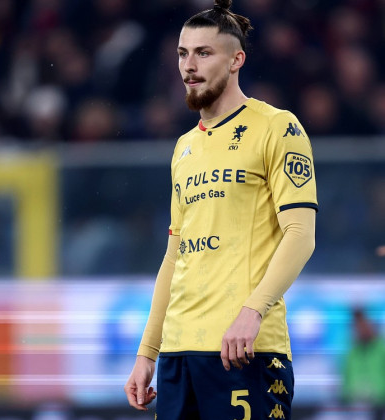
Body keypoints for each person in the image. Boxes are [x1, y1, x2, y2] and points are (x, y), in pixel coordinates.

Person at [123, 0, 318, 418]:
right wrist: (148, 352)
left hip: (244, 348)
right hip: (178, 355)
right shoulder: (184, 148)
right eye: (182, 53)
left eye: (203, 53)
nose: (189, 66)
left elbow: (300, 235)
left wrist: (252, 312)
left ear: (236, 60)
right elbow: (175, 256)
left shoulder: (278, 127)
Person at [342, 308, 385, 419]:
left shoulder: (382, 350)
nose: (361, 328)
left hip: (380, 407)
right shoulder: (352, 353)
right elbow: (346, 384)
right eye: (357, 325)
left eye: (364, 324)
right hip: (355, 407)